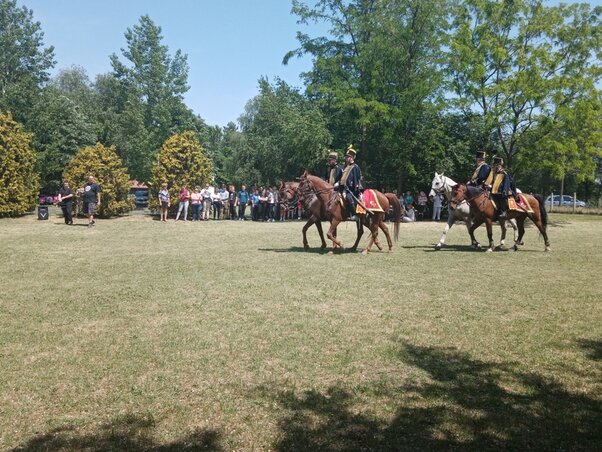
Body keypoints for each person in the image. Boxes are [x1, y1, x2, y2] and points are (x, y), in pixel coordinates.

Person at [334, 144, 363, 220]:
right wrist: (337, 183)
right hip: (343, 188)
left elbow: (357, 179)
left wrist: (356, 187)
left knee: (348, 196)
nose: (346, 158)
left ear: (352, 157)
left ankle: (355, 214)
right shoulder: (345, 167)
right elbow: (342, 177)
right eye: (346, 157)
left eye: (348, 157)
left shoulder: (355, 167)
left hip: (351, 189)